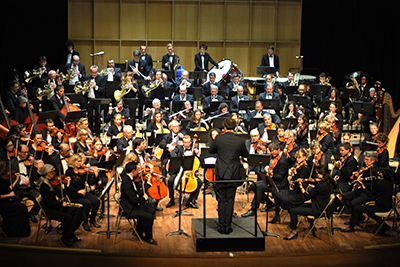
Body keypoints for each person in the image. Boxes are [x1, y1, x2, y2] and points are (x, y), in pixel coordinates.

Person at [210, 118, 248, 234]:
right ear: (235, 127)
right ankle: (228, 226)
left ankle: (221, 226)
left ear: (224, 127)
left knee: (221, 200)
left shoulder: (219, 139)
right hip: (233, 173)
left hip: (221, 173)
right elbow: (245, 154)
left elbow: (211, 150)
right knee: (230, 200)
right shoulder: (240, 141)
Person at [38, 164, 84, 247]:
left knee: (78, 211)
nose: (55, 173)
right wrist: (60, 204)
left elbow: (61, 195)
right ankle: (64, 238)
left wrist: (67, 185)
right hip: (50, 210)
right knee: (68, 218)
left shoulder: (51, 183)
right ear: (48, 173)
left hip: (56, 207)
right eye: (53, 171)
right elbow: (50, 203)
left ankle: (70, 233)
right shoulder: (44, 186)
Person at [283, 165, 333, 240]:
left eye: (317, 174)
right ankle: (312, 227)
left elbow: (307, 197)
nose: (316, 175)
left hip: (317, 209)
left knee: (292, 210)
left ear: (322, 174)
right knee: (301, 205)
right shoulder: (328, 182)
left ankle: (294, 232)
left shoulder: (320, 186)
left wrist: (301, 186)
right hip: (322, 206)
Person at [241, 141, 288, 218]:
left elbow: (280, 177)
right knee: (253, 185)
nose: (271, 152)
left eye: (273, 150)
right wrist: (268, 168)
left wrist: (271, 173)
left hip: (278, 184)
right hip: (272, 180)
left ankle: (253, 209)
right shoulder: (275, 157)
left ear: (279, 149)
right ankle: (268, 202)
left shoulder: (283, 160)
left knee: (258, 186)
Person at [342, 166, 393, 234]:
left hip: (381, 206)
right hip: (388, 205)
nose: (377, 173)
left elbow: (370, 194)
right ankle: (385, 226)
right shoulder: (390, 183)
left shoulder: (380, 184)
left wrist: (363, 185)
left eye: (379, 172)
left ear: (383, 174)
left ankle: (351, 227)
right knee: (369, 212)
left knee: (356, 208)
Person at [120, 161, 157, 245]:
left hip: (133, 205)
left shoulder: (129, 179)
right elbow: (134, 199)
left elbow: (136, 194)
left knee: (151, 209)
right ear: (133, 171)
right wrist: (144, 199)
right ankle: (149, 238)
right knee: (149, 216)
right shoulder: (126, 182)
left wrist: (147, 183)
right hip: (130, 209)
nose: (139, 172)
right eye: (137, 170)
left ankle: (138, 231)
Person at [65, 154, 100, 231]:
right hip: (74, 194)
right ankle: (85, 222)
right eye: (78, 161)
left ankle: (92, 220)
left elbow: (90, 182)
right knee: (87, 203)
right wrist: (78, 191)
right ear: (73, 162)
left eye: (80, 161)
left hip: (83, 193)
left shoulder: (82, 171)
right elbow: (68, 187)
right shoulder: (69, 172)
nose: (80, 163)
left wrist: (95, 175)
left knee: (96, 201)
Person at [167, 135, 203, 209]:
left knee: (199, 182)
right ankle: (171, 199)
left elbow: (199, 162)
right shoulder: (178, 148)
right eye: (185, 142)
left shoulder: (193, 150)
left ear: (190, 142)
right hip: (178, 171)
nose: (187, 144)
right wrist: (182, 156)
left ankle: (191, 200)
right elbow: (172, 154)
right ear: (182, 142)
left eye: (188, 142)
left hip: (190, 172)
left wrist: (197, 154)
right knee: (170, 180)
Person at [0, 161, 31, 237]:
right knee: (21, 208)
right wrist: (8, 195)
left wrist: (17, 180)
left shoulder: (2, 179)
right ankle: (13, 232)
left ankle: (20, 231)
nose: (5, 168)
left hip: (6, 201)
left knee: (21, 207)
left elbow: (8, 188)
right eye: (4, 166)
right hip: (2, 204)